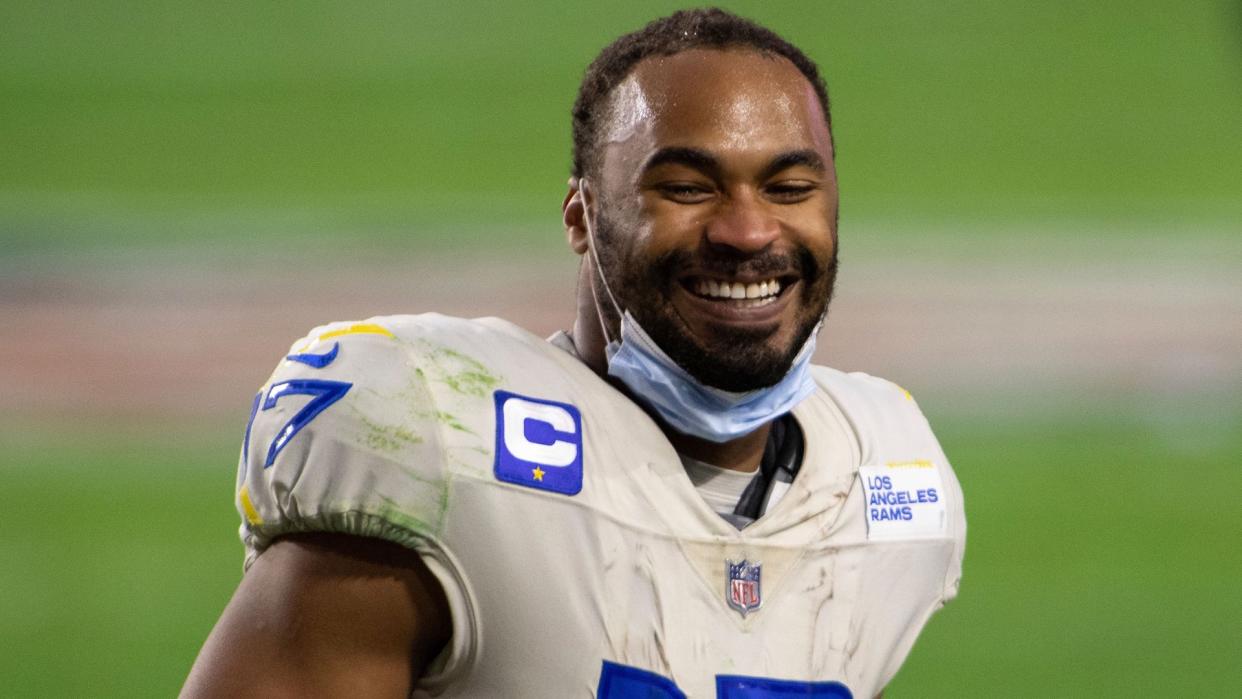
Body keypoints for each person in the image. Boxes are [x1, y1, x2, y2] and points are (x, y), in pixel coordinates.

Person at [182, 8, 964, 698]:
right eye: (689, 188)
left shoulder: (885, 485)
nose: (747, 231)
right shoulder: (439, 440)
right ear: (582, 215)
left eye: (790, 188)